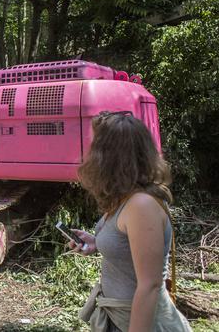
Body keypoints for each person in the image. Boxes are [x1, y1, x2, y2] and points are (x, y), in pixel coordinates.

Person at [70, 111, 191, 331]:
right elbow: (128, 247)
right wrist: (98, 242)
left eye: (93, 146)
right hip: (119, 317)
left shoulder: (141, 205)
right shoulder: (126, 197)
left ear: (108, 157)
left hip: (138, 321)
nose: (87, 153)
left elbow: (150, 285)